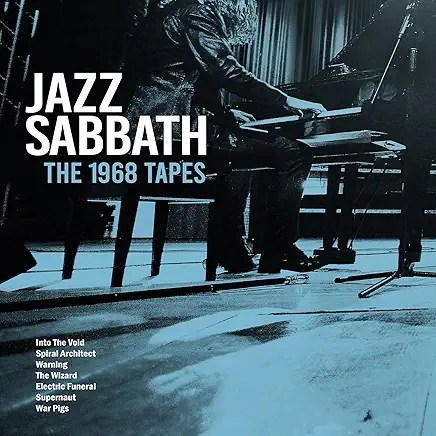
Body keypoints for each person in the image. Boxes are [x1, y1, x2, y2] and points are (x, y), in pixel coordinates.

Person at [123, 0, 327, 273]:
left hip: (145, 127)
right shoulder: (196, 13)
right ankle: (278, 248)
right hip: (172, 133)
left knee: (237, 151)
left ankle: (231, 250)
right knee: (293, 153)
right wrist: (287, 100)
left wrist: (227, 114)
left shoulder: (161, 16)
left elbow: (180, 78)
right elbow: (226, 70)